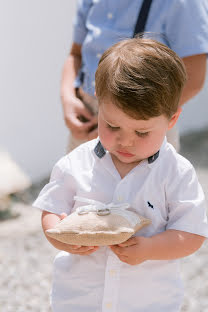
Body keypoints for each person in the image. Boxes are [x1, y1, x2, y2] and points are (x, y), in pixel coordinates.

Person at [33, 38, 208, 312]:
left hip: (149, 303)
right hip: (79, 301)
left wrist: (150, 249)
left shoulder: (176, 173)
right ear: (99, 106)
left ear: (171, 120)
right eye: (112, 125)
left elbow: (192, 234)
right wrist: (61, 237)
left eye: (141, 132)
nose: (125, 141)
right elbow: (51, 211)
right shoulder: (76, 163)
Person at [61, 0, 208, 152]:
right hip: (87, 119)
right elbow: (75, 54)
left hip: (146, 124)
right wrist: (68, 98)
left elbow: (194, 79)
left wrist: (130, 125)